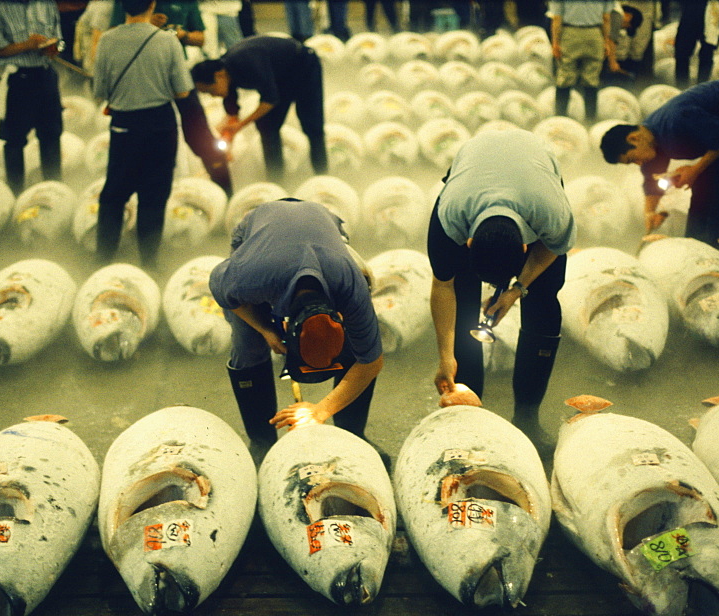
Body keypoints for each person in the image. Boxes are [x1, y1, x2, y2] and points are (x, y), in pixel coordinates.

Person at [428, 129, 576, 448]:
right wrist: (445, 356)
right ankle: (469, 410)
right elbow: (443, 285)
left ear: (525, 247)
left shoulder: (552, 213)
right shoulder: (450, 217)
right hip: (472, 171)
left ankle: (527, 415)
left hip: (535, 173)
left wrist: (518, 288)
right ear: (467, 243)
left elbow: (552, 248)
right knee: (465, 307)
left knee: (544, 301)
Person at [209, 198, 385, 461]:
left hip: (323, 223)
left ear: (338, 315)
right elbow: (222, 291)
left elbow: (371, 362)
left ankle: (353, 433)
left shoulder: (351, 286)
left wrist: (321, 410)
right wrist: (265, 329)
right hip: (259, 230)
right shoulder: (250, 278)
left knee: (357, 347)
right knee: (248, 346)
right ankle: (261, 441)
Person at [599, 77, 719, 248]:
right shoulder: (651, 140)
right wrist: (650, 213)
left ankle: (718, 244)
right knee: (703, 184)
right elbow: (651, 181)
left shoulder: (676, 120)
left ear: (634, 138)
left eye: (633, 159)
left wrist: (694, 169)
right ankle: (696, 242)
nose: (638, 163)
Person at [92, 0, 193, 267]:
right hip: (160, 123)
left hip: (124, 124)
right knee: (154, 194)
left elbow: (98, 91)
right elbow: (182, 91)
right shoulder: (168, 41)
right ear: (152, 4)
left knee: (114, 194)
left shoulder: (106, 40)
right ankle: (149, 262)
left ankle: (102, 261)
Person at [191, 35, 327, 182]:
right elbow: (232, 116)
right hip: (280, 77)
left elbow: (270, 99)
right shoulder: (225, 71)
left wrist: (241, 125)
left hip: (304, 66)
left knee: (312, 126)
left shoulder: (246, 62)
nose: (212, 96)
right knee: (267, 127)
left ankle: (322, 176)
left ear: (219, 76)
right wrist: (228, 139)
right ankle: (276, 179)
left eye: (210, 91)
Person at [0, 0, 64, 195]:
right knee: (14, 141)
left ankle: (54, 191)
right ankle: (16, 193)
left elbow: (59, 41)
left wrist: (53, 48)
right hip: (18, 80)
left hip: (46, 76)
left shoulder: (46, 4)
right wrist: (27, 45)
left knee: (51, 137)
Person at [548, 0, 617, 122]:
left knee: (565, 75)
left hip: (570, 33)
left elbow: (557, 18)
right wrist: (606, 41)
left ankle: (560, 118)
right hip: (595, 34)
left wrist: (555, 43)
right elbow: (606, 18)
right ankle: (590, 119)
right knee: (591, 78)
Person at [674, 0, 719, 87]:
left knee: (707, 52)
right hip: (691, 7)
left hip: (712, 7)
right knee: (682, 51)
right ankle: (681, 87)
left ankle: (702, 88)